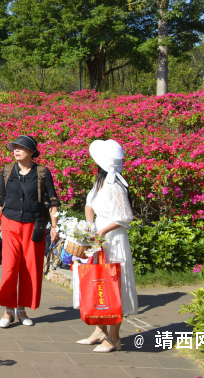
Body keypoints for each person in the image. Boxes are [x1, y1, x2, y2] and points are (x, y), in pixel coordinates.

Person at [74, 139, 138, 352]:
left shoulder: (116, 185)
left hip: (114, 238)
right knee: (97, 280)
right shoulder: (100, 182)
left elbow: (124, 217)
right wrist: (90, 227)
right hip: (98, 236)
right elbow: (89, 204)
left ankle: (114, 337)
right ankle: (100, 330)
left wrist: (102, 231)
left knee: (113, 283)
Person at [0, 135, 61, 328]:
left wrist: (54, 227)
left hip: (34, 226)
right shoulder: (7, 171)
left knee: (30, 269)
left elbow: (53, 202)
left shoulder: (42, 172)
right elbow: (0, 201)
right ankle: (8, 310)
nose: (15, 150)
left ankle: (21, 310)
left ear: (31, 152)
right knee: (10, 268)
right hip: (10, 225)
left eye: (20, 148)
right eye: (14, 148)